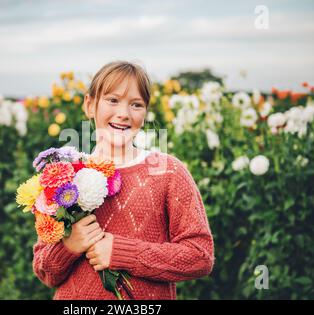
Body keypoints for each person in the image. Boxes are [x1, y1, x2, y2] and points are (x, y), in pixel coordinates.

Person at [33, 60, 214, 299]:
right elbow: (45, 272)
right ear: (90, 105)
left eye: (136, 104)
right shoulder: (63, 177)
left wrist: (122, 253)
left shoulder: (169, 172)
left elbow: (200, 256)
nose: (124, 114)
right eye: (113, 100)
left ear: (146, 112)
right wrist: (69, 246)